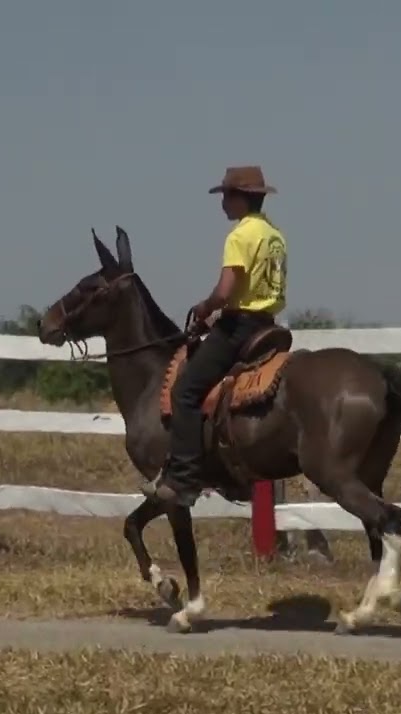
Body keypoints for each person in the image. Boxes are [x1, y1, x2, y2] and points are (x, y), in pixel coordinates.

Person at [153, 165, 288, 507]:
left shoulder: (239, 236)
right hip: (267, 324)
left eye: (227, 195)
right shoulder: (274, 235)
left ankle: (184, 479)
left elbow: (226, 291)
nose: (223, 203)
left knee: (185, 392)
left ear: (242, 198)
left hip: (239, 326)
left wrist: (205, 306)